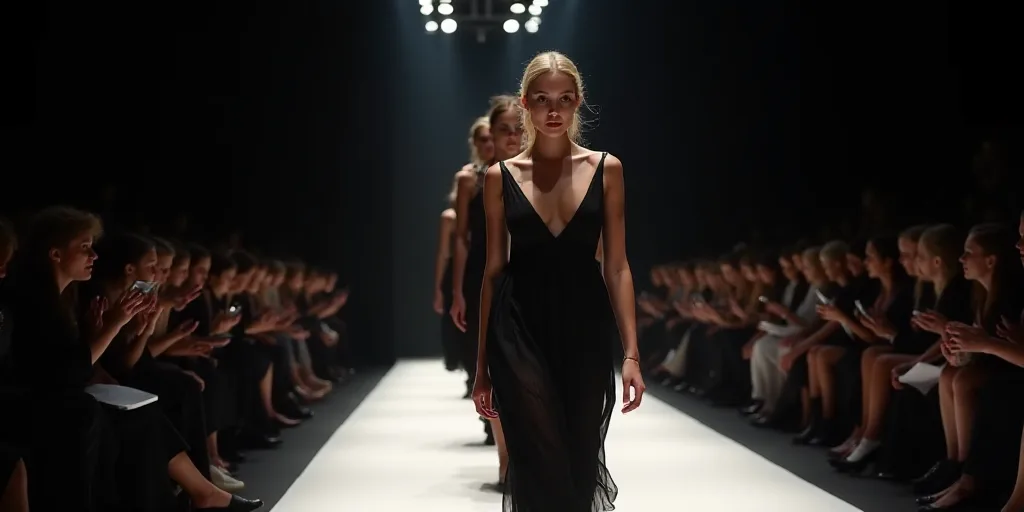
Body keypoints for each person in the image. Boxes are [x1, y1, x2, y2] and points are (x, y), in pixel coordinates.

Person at [472, 51, 644, 511]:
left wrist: (631, 353)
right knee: (537, 453)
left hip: (584, 325)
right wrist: (483, 365)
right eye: (543, 99)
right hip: (518, 327)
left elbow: (618, 266)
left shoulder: (607, 169)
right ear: (525, 103)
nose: (554, 110)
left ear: (578, 103)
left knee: (578, 455)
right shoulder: (499, 177)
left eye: (565, 99)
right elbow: (492, 273)